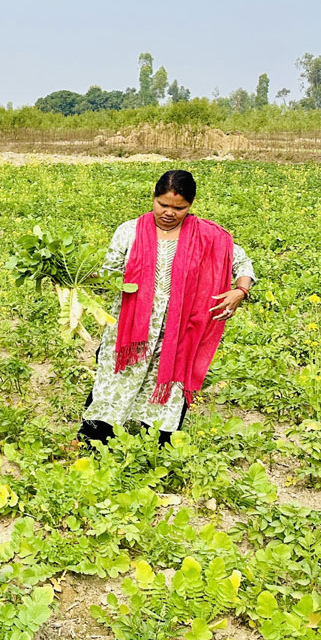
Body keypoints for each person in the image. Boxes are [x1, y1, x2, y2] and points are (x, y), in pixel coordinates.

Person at [79, 170, 255, 446]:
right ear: (153, 197)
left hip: (179, 332)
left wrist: (239, 291)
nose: (169, 213)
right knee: (114, 381)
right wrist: (75, 277)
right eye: (163, 204)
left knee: (170, 385)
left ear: (191, 205)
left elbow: (242, 264)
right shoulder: (130, 231)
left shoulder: (208, 236)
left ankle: (160, 443)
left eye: (179, 208)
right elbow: (108, 274)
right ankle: (96, 438)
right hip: (131, 331)